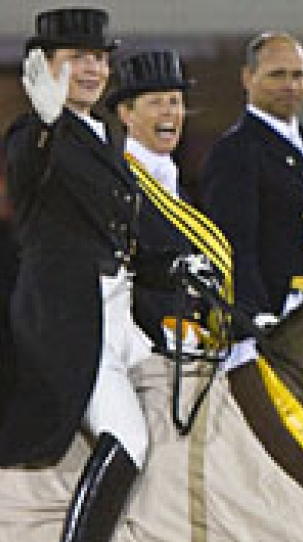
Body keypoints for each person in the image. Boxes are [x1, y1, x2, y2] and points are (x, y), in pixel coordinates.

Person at [0, 9, 189, 541]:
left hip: (120, 315)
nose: (91, 69)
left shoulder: (106, 138)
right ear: (45, 67)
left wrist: (181, 260)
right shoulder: (32, 131)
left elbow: (127, 224)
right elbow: (26, 176)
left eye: (98, 58)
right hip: (69, 322)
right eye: (76, 59)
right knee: (129, 438)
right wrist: (46, 126)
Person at [200, 31, 303, 368]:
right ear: (248, 78)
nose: (290, 86)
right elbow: (235, 245)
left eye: (298, 75)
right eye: (277, 75)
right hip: (270, 327)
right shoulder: (237, 150)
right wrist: (256, 319)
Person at [107, 49, 232, 357]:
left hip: (193, 346)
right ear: (126, 113)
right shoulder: (117, 183)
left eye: (174, 102)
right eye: (155, 102)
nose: (168, 112)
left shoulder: (178, 186)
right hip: (145, 350)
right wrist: (160, 328)